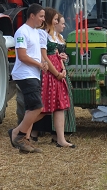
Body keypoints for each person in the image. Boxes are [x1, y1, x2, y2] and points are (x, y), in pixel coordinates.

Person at [8, 3, 48, 154]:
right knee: (37, 107)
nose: (43, 19)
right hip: (25, 74)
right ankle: (19, 136)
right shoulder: (22, 32)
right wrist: (39, 64)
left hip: (33, 74)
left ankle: (19, 135)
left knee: (32, 108)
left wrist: (42, 63)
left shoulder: (35, 32)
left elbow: (35, 54)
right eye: (41, 16)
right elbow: (22, 56)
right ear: (32, 15)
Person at [41, 8, 75, 148]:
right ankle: (23, 133)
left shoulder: (56, 37)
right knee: (42, 107)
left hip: (58, 71)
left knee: (59, 105)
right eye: (55, 19)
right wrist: (56, 73)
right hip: (49, 72)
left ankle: (60, 138)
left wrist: (63, 68)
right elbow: (44, 57)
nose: (57, 22)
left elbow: (56, 54)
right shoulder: (42, 35)